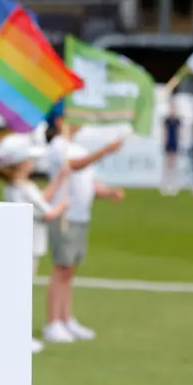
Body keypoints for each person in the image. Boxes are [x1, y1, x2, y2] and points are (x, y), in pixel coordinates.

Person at [44, 110, 125, 344]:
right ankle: (53, 322)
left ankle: (66, 318)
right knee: (61, 269)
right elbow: (75, 166)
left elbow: (88, 181)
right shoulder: (59, 146)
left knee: (70, 270)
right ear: (60, 122)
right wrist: (105, 151)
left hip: (81, 215)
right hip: (64, 214)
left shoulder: (76, 147)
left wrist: (109, 192)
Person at [0, 133, 69, 354]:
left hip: (22, 244)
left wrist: (59, 180)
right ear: (21, 164)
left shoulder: (17, 187)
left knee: (20, 291)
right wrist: (62, 206)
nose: (33, 163)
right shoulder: (24, 187)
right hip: (29, 245)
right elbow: (47, 213)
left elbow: (41, 202)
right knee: (23, 293)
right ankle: (18, 337)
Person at [162, 101, 181, 196]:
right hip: (168, 143)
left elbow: (178, 133)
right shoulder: (167, 120)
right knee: (167, 164)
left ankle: (173, 184)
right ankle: (166, 184)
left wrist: (178, 142)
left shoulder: (177, 120)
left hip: (174, 143)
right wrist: (165, 142)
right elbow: (165, 132)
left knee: (174, 164)